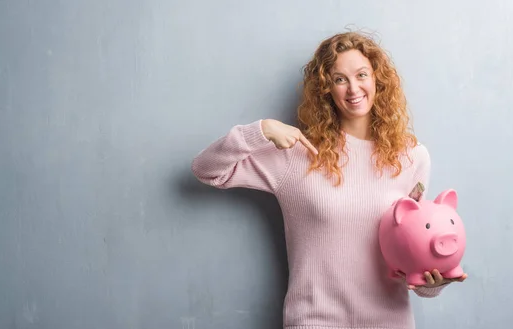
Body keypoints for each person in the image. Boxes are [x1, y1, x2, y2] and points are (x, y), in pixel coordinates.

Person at [191, 31, 467, 329]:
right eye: (339, 79)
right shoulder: (296, 154)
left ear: (378, 79)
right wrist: (262, 130)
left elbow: (412, 254)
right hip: (315, 321)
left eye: (362, 74)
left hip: (391, 321)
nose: (353, 88)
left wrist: (433, 282)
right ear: (325, 89)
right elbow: (207, 169)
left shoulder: (412, 157)